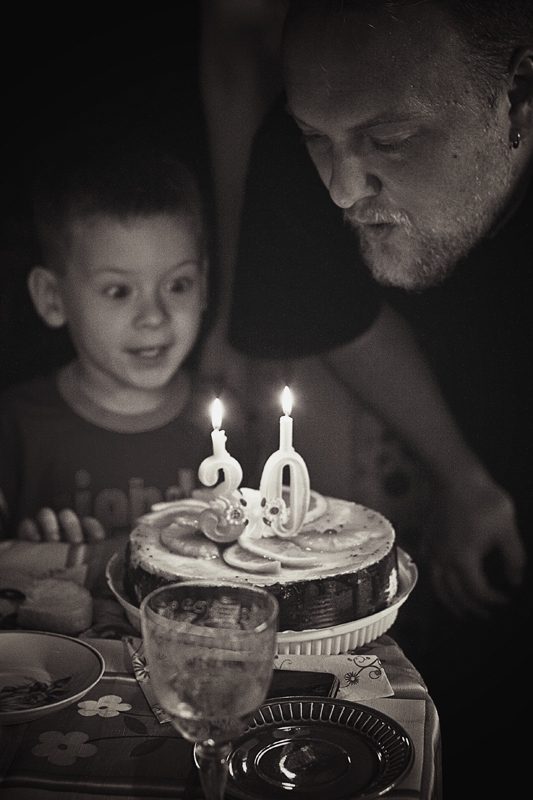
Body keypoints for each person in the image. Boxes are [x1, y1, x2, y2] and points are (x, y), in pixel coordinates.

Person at [228, 1, 532, 791]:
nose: (338, 188)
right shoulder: (292, 153)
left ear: (519, 98)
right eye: (313, 136)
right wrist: (462, 478)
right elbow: (331, 310)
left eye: (388, 139)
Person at [0, 133, 246, 544]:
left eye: (178, 284)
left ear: (204, 285)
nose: (154, 316)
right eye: (119, 291)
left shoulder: (228, 421)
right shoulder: (14, 428)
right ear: (52, 298)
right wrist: (32, 558)